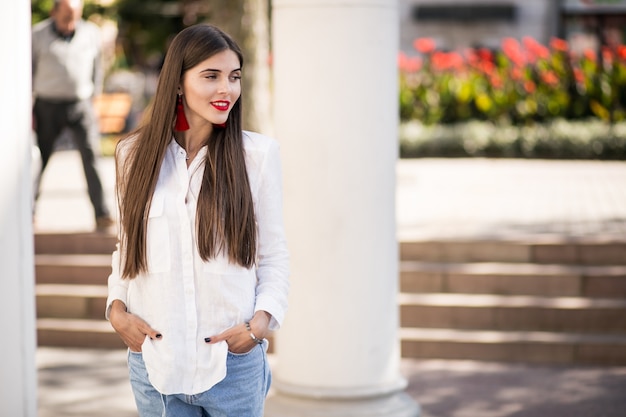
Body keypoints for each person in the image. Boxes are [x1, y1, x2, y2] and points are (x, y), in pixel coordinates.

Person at [105, 24, 289, 416]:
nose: (227, 89)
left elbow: (274, 255)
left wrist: (257, 327)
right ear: (177, 83)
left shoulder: (257, 156)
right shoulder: (132, 156)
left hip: (232, 367)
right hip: (156, 368)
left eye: (234, 77)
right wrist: (115, 309)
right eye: (211, 76)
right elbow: (128, 248)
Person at [31, 0, 113, 231]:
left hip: (80, 104)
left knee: (91, 157)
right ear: (54, 12)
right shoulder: (36, 35)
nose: (71, 21)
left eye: (75, 16)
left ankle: (102, 214)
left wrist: (95, 96)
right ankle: (29, 210)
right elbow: (29, 70)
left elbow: (98, 67)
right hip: (47, 104)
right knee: (39, 160)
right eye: (66, 15)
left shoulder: (90, 33)